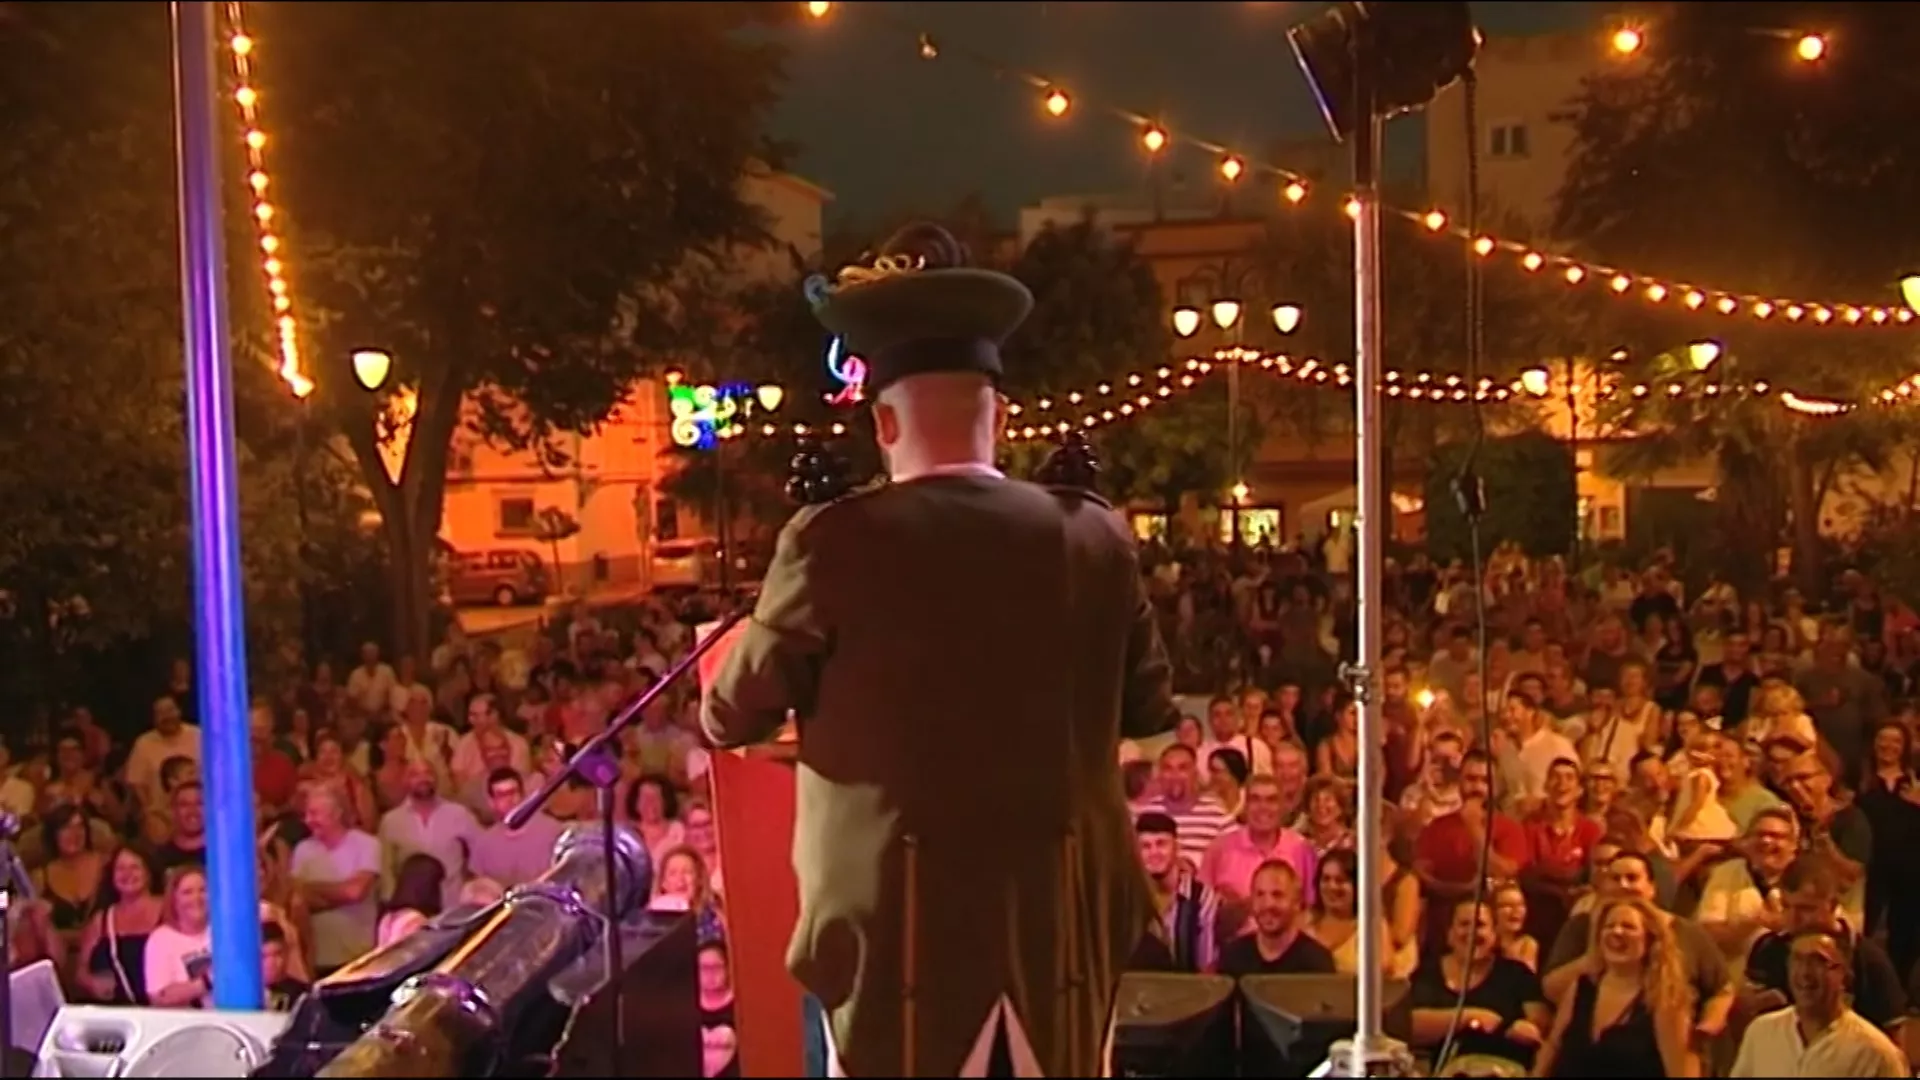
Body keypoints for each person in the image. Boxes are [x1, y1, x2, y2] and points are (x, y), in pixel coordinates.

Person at [702, 222, 1179, 1078]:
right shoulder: (1096, 536)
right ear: (998, 412)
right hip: (1058, 934)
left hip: (900, 947)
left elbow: (730, 710)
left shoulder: (832, 542)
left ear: (883, 421)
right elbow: (1147, 708)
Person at [1730, 930, 1907, 1078]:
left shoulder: (1874, 1053)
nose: (1805, 972)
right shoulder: (1761, 1032)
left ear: (1844, 975)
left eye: (1819, 961)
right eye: (1797, 960)